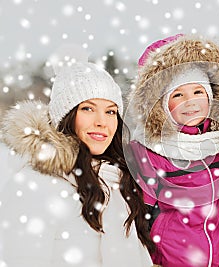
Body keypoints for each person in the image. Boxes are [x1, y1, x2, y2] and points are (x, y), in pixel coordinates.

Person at [0, 62, 154, 266]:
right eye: (88, 108)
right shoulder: (35, 184)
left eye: (110, 111)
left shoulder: (116, 181)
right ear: (66, 116)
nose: (102, 121)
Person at [127, 34, 219, 267]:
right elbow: (141, 216)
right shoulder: (150, 152)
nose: (191, 102)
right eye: (178, 95)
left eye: (198, 92)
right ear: (161, 105)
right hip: (173, 259)